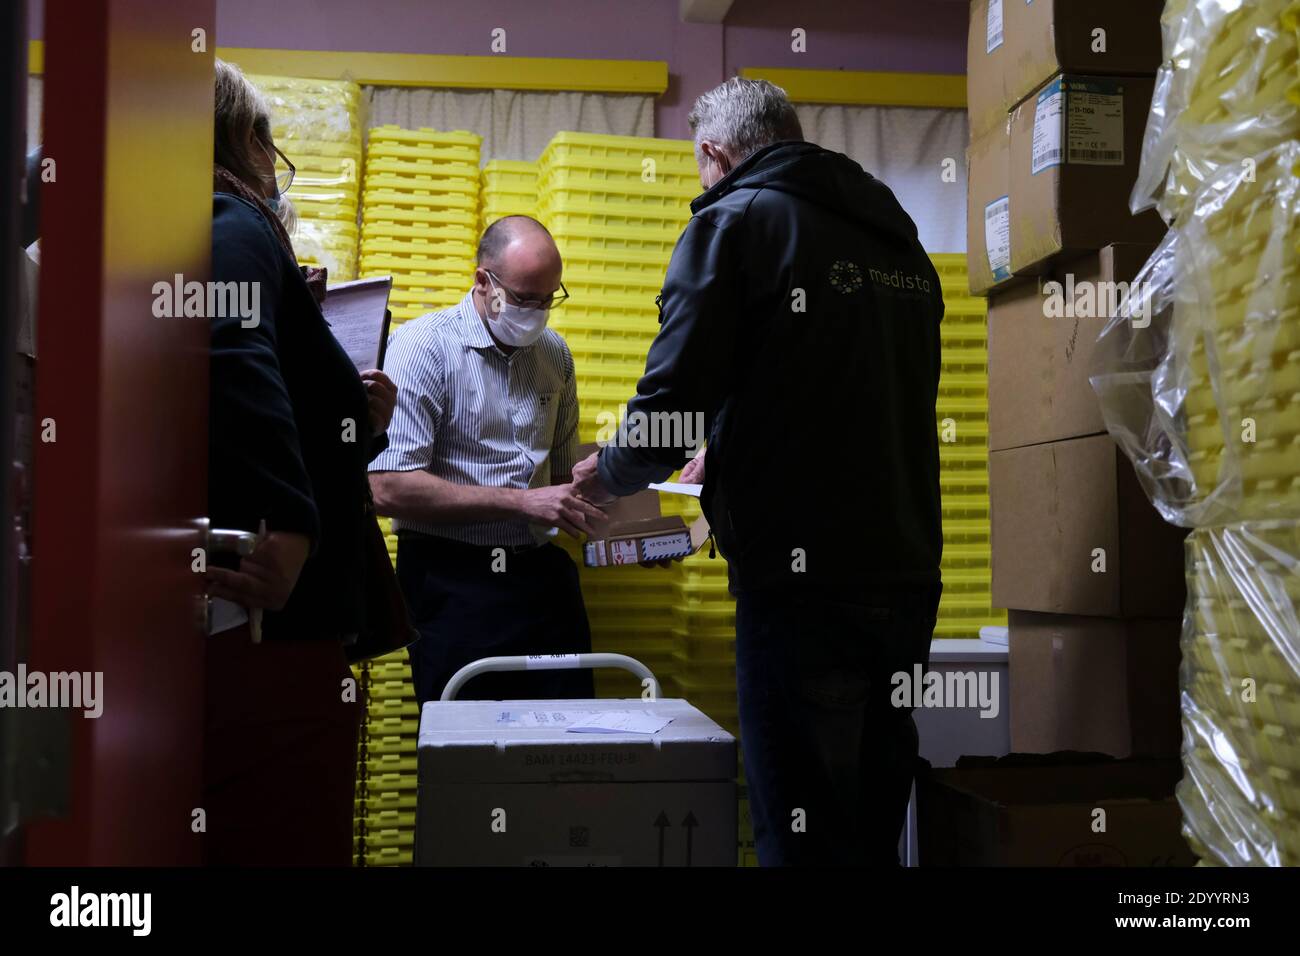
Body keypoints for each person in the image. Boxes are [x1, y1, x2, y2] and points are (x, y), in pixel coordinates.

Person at [572, 78, 945, 866]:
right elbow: (848, 394)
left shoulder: (736, 221)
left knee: (801, 829)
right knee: (872, 828)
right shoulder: (894, 238)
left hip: (801, 582)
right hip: (906, 574)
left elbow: (671, 406)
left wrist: (604, 473)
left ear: (714, 152)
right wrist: (733, 447)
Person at [203, 60, 398, 866]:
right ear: (250, 141)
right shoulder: (233, 222)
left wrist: (356, 420)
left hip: (269, 620)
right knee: (287, 826)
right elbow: (230, 346)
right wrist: (287, 521)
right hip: (277, 618)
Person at [369, 216, 602, 705]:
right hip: (452, 580)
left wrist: (623, 524)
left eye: (548, 299)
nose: (537, 312)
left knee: (567, 745)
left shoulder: (554, 355)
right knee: (470, 756)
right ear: (483, 281)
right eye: (523, 298)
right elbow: (386, 487)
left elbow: (561, 482)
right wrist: (521, 503)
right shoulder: (423, 349)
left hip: (540, 578)